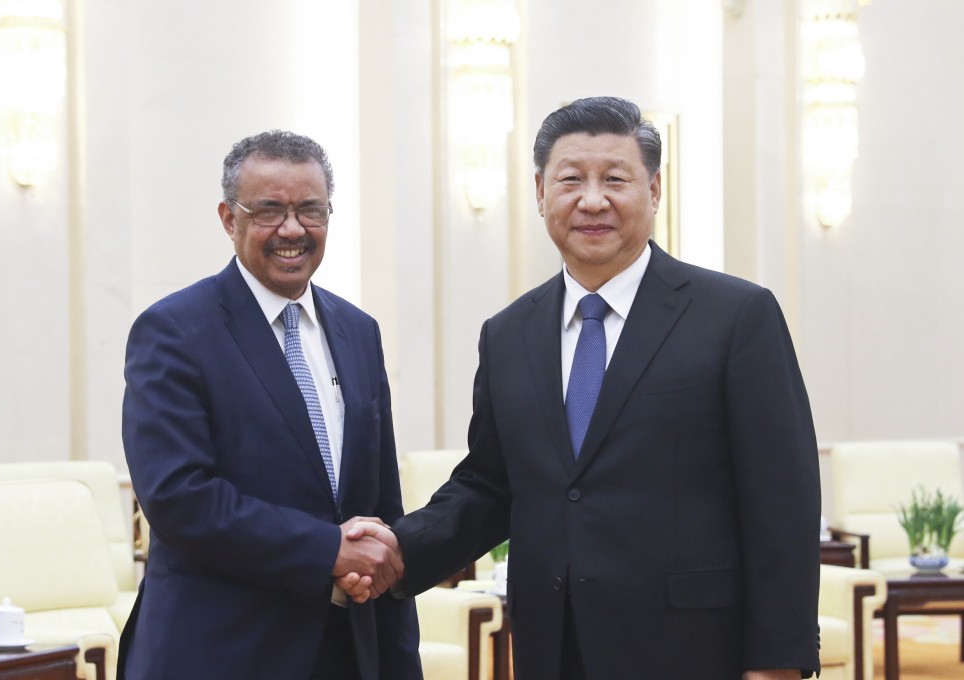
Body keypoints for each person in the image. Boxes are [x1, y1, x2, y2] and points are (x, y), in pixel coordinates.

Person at [346, 96, 821, 679]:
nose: (592, 200)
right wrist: (399, 548)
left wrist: (778, 663)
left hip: (693, 648)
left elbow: (782, 503)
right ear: (542, 192)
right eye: (572, 179)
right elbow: (490, 484)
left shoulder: (736, 315)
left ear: (654, 190)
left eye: (615, 179)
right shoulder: (508, 333)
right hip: (554, 644)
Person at [119, 130, 421, 680]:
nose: (292, 229)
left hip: (345, 652)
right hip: (219, 652)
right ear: (228, 218)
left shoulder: (359, 331)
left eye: (310, 210)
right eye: (269, 211)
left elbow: (381, 504)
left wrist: (399, 659)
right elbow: (179, 497)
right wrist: (328, 550)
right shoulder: (174, 331)